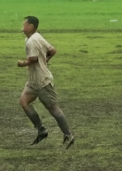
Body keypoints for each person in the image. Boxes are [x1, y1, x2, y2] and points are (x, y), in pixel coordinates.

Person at [18, 16, 75, 149]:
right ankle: (41, 129)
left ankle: (68, 134)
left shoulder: (32, 40)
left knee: (52, 108)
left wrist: (22, 63)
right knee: (24, 102)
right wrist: (45, 60)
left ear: (31, 26)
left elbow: (33, 58)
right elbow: (52, 50)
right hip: (33, 80)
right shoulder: (36, 36)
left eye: (24, 24)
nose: (22, 27)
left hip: (42, 80)